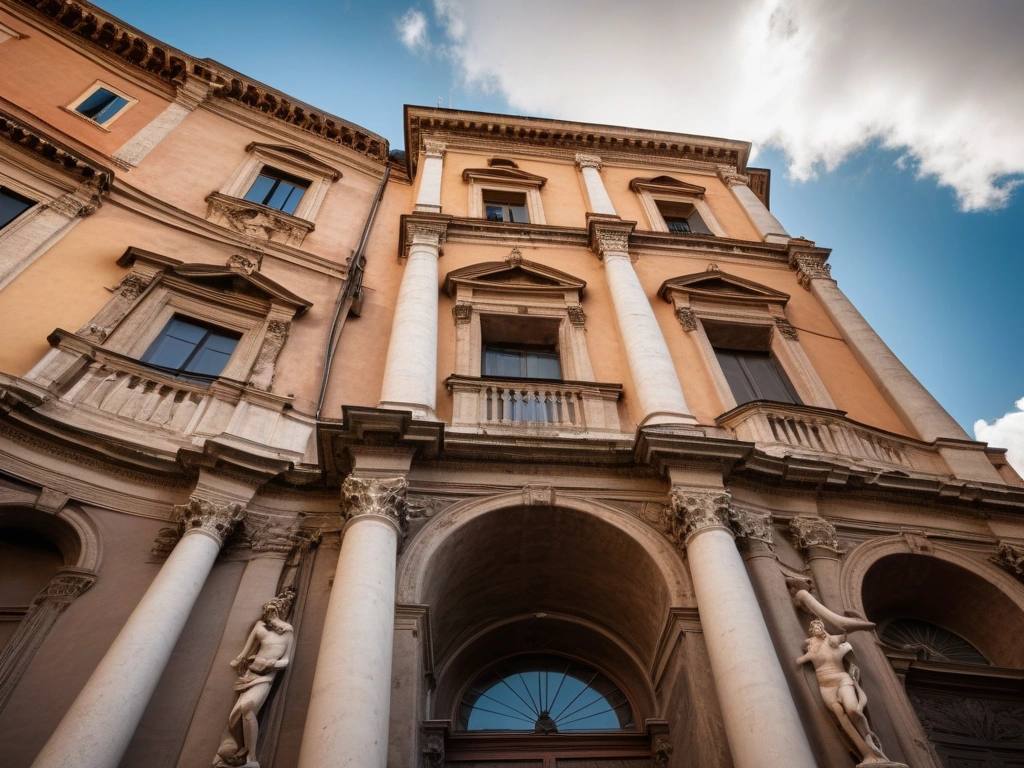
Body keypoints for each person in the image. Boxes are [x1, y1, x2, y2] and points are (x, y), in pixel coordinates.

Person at [214, 589, 295, 768]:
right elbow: (245, 652)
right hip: (250, 674)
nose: (270, 614)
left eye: (273, 612)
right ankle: (234, 752)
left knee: (246, 706)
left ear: (280, 611)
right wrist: (240, 660)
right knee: (237, 713)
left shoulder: (288, 631)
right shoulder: (260, 627)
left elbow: (286, 660)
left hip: (266, 677)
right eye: (268, 611)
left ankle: (252, 759)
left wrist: (271, 664)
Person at [797, 619, 891, 766]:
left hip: (842, 680)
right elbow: (799, 660)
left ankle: (872, 744)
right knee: (841, 717)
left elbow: (843, 635)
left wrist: (835, 634)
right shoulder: (811, 647)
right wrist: (811, 648)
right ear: (811, 631)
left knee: (853, 710)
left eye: (820, 626)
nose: (818, 629)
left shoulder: (832, 641)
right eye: (815, 627)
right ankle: (867, 754)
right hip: (825, 687)